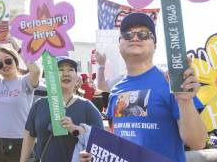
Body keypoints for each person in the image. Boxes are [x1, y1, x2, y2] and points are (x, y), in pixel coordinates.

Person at [80, 13, 207, 162]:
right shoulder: (116, 90)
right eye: (127, 35)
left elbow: (197, 142)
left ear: (155, 45)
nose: (135, 37)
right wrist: (97, 155)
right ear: (119, 45)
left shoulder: (171, 83)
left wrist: (185, 101)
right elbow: (120, 140)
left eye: (143, 34)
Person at [19, 56, 103, 162]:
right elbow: (29, 135)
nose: (66, 73)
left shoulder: (87, 107)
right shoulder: (39, 104)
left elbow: (101, 141)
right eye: (60, 69)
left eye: (71, 70)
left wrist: (74, 129)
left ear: (77, 79)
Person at [0, 37, 40, 162]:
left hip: (21, 143)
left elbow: (36, 70)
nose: (4, 65)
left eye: (8, 60)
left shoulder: (25, 81)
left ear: (16, 61)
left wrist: (16, 45)